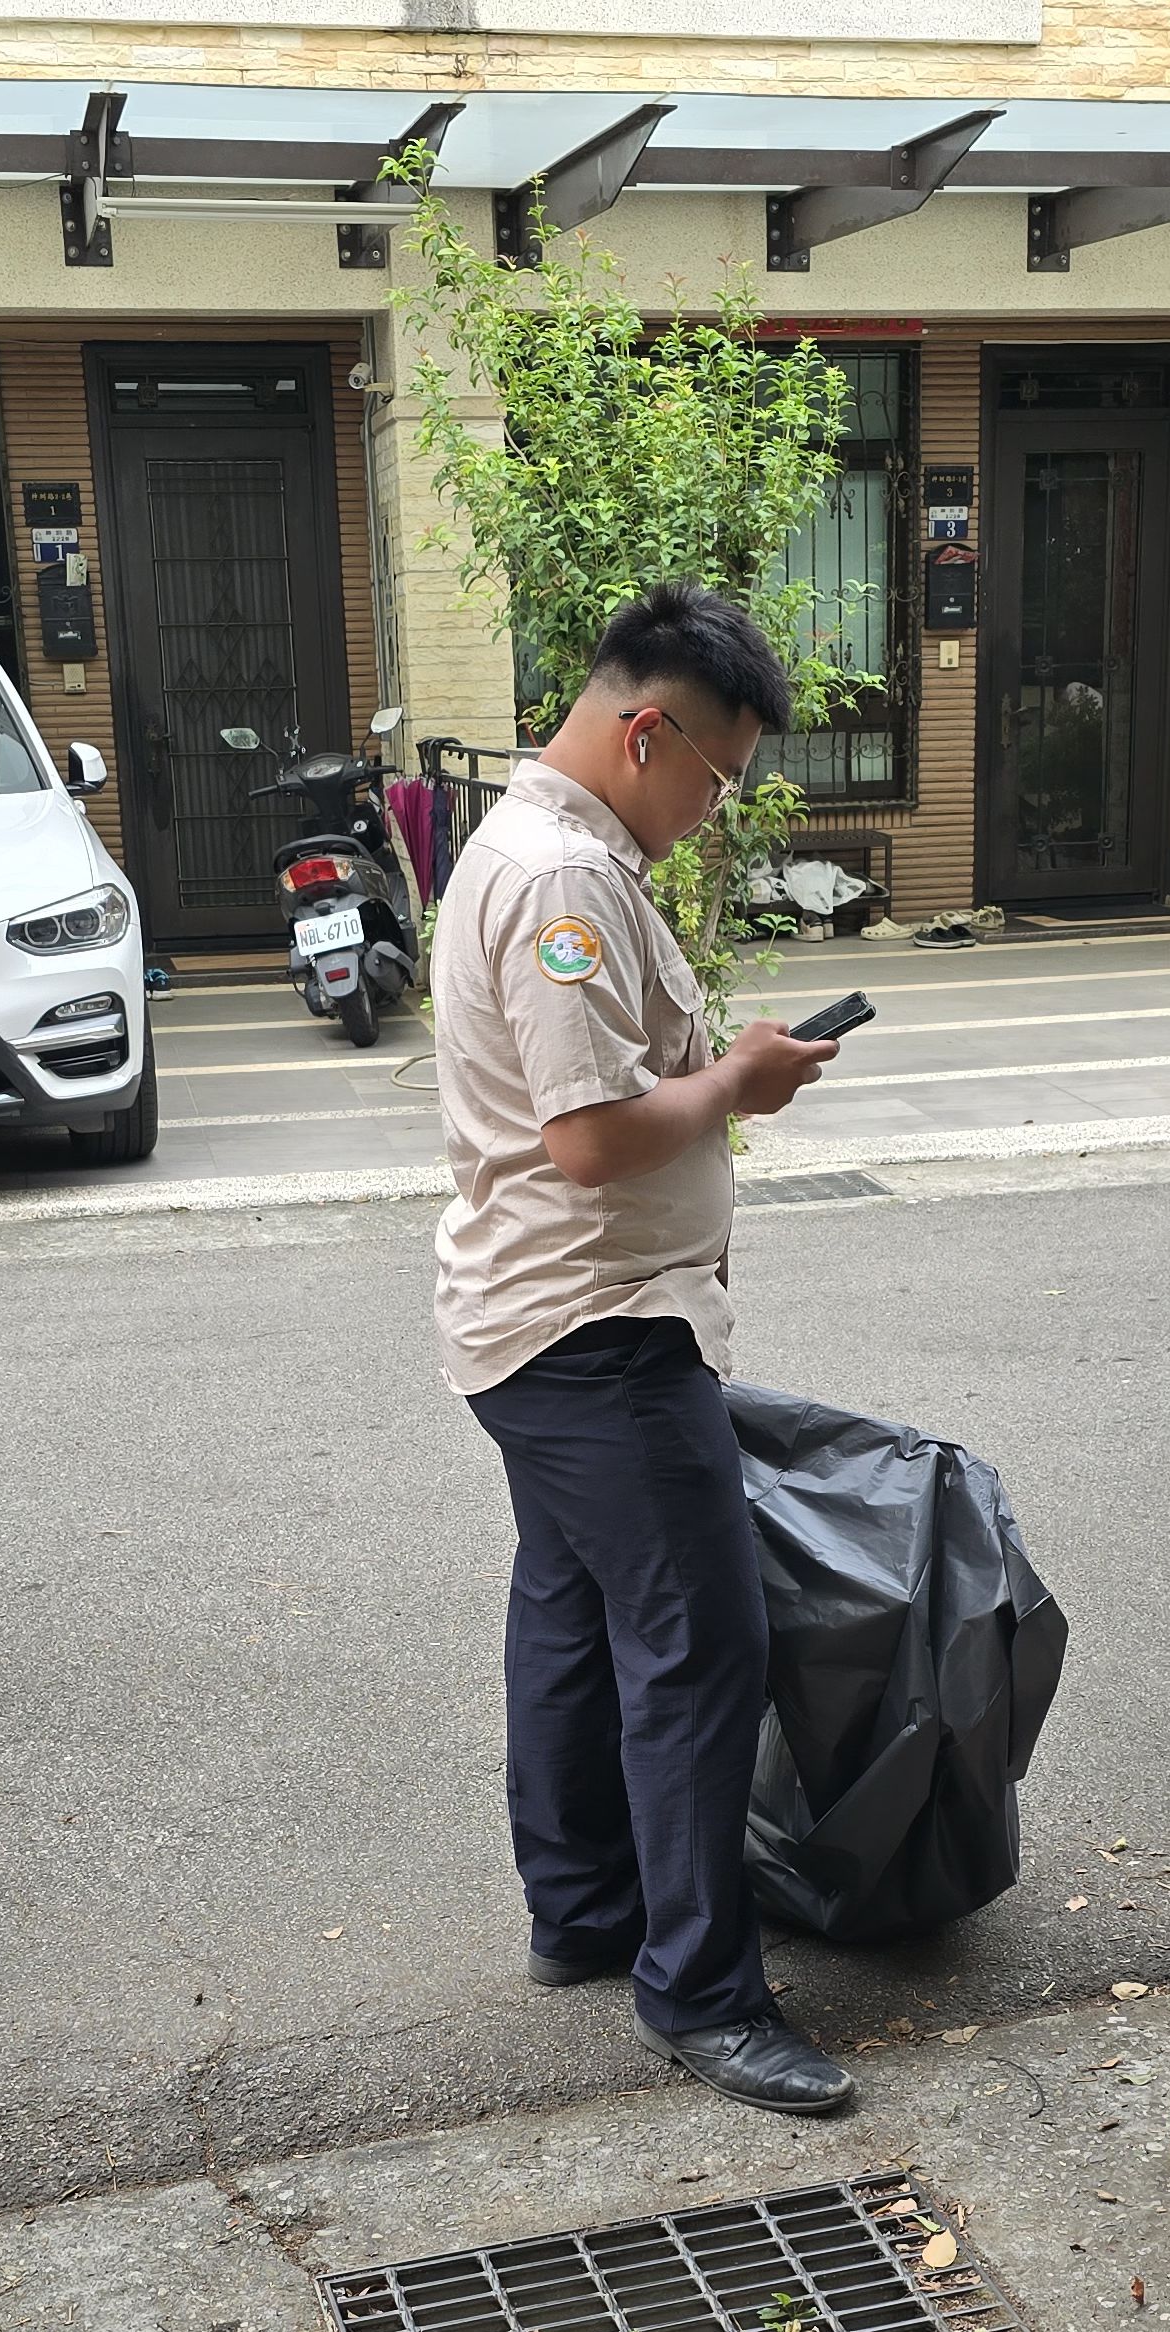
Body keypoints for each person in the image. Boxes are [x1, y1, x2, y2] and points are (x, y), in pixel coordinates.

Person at [432, 584, 848, 2115]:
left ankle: (585, 1910)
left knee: (569, 1613)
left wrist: (726, 1073)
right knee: (698, 1648)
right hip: (594, 1326)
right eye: (717, 778)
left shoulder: (546, 850)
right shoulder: (561, 881)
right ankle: (700, 1993)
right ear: (646, 729)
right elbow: (592, 1139)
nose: (714, 812)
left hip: (535, 1323)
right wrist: (738, 1080)